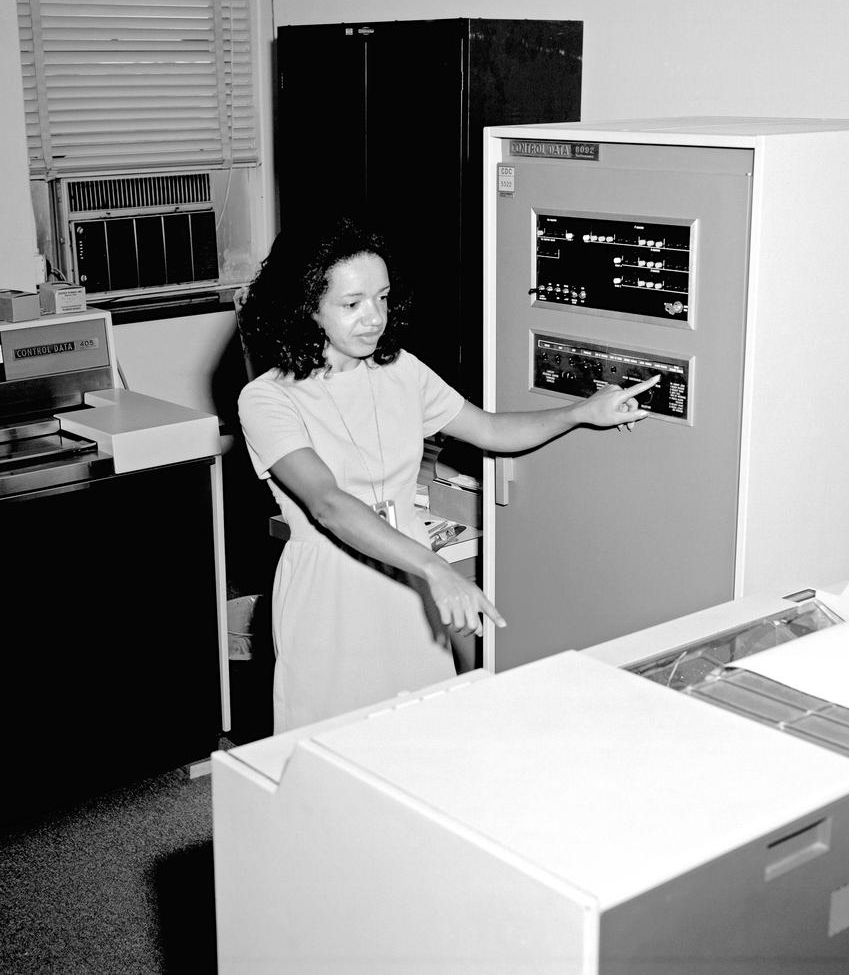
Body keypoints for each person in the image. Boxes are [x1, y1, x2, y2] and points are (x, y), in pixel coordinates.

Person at [237, 217, 658, 732]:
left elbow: (491, 430)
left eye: (382, 298)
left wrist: (581, 412)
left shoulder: (401, 371)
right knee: (333, 742)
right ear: (306, 307)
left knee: (424, 734)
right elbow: (328, 503)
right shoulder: (267, 399)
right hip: (333, 590)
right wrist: (436, 570)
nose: (374, 318)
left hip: (407, 583)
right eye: (352, 304)